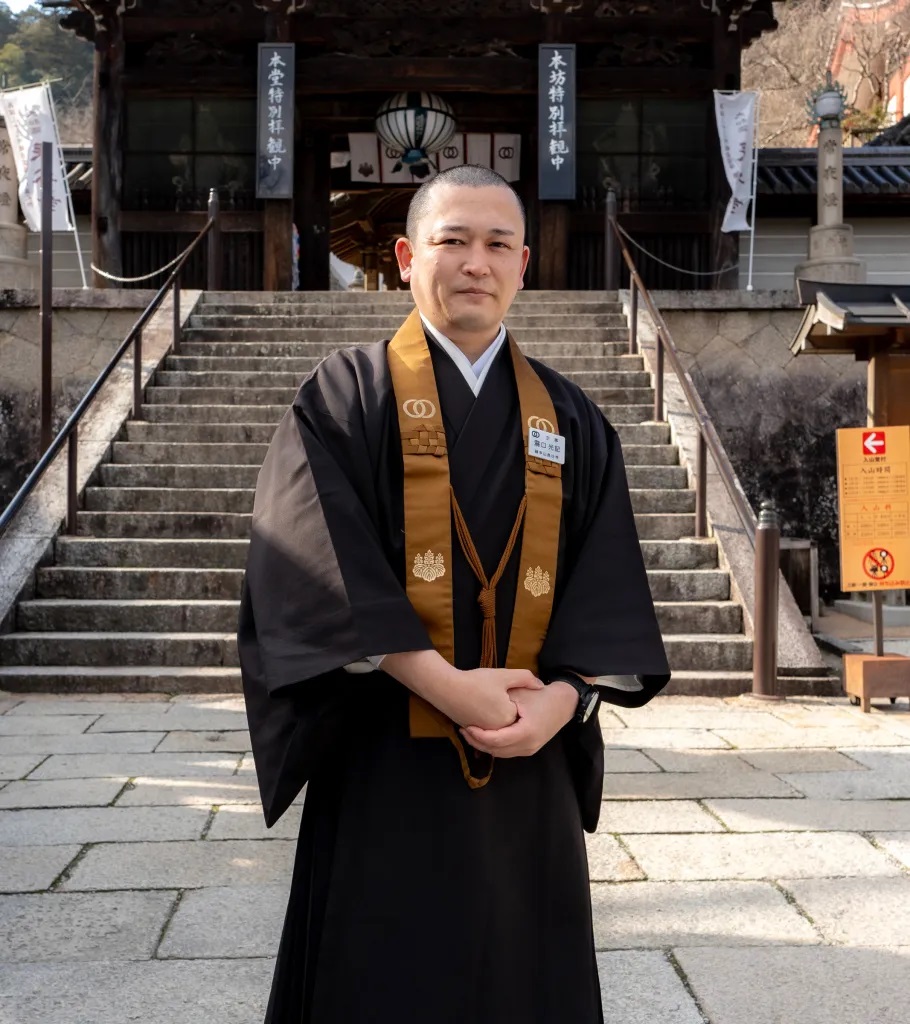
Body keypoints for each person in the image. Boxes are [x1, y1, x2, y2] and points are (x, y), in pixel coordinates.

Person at [239, 164, 670, 1024]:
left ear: (524, 265)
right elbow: (310, 569)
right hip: (383, 755)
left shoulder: (574, 417)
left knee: (525, 972)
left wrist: (566, 698)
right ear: (405, 256)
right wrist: (442, 682)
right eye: (452, 241)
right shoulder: (342, 398)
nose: (476, 263)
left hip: (529, 754)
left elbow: (608, 582)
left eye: (498, 245)